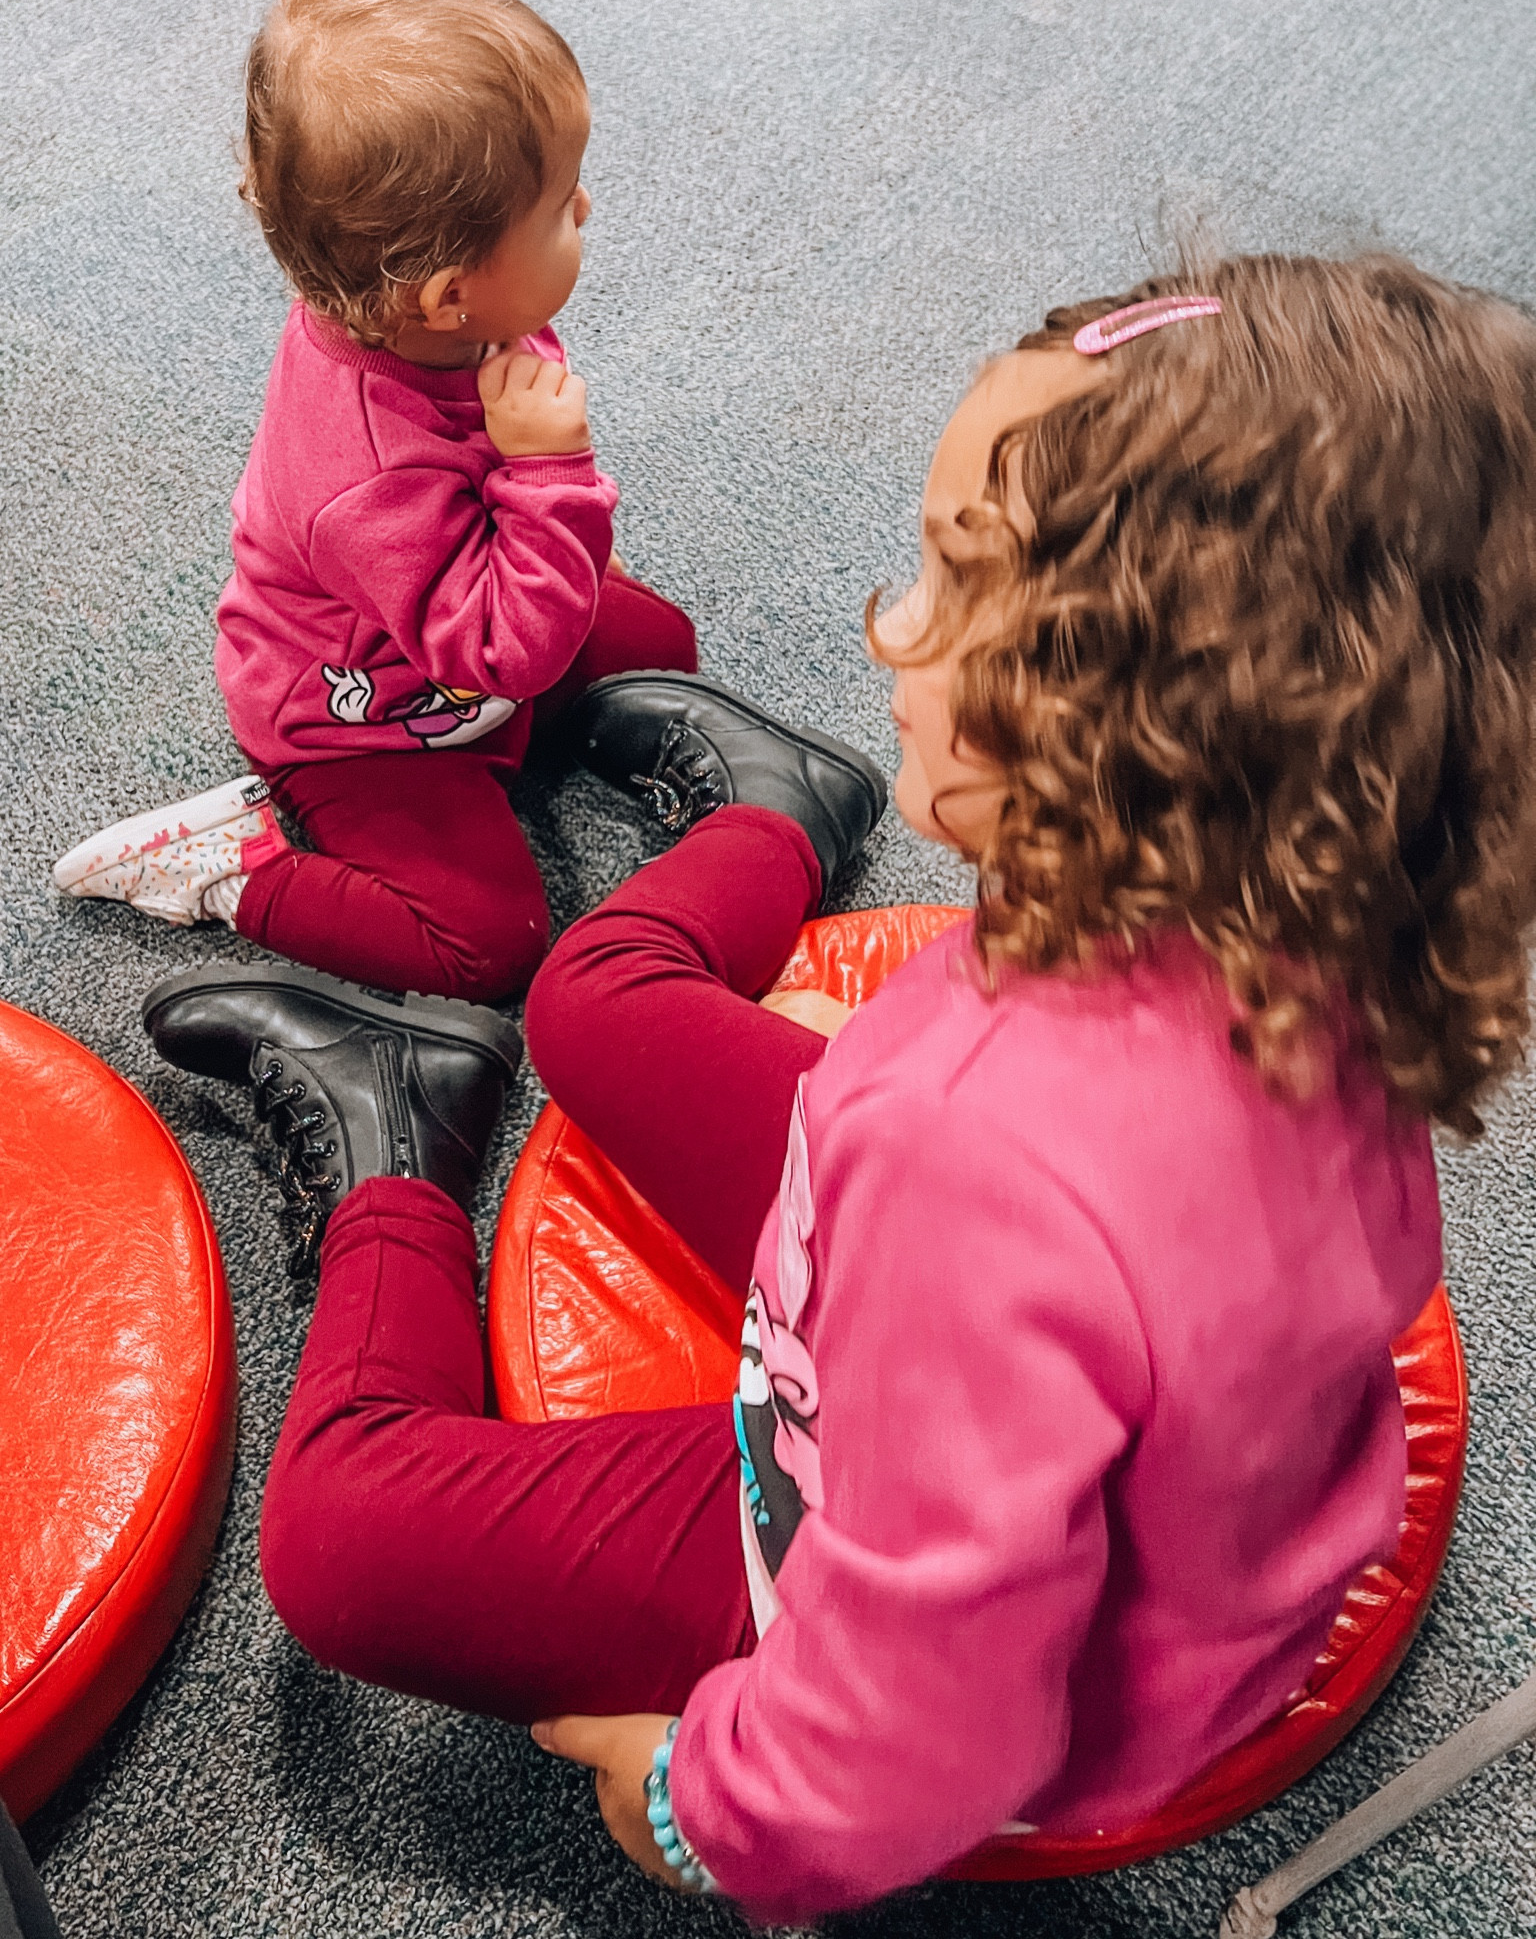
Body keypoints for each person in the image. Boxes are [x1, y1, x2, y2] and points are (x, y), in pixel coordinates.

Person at [141, 254, 1536, 1925]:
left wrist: (706, 1799)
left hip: (1046, 1636)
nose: (890, 624)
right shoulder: (1312, 924)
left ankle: (390, 1137)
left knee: (340, 1537)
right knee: (594, 996)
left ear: (1147, 718)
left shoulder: (961, 1157)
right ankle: (772, 803)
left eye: (956, 584)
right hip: (1107, 1413)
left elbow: (931, 1710)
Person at [50, 0, 700, 1003]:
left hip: (457, 633)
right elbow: (507, 652)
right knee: (492, 943)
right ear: (449, 293)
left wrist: (549, 529)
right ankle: (240, 866)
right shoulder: (369, 478)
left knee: (661, 647)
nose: (585, 204)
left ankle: (524, 713)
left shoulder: (433, 318)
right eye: (557, 208)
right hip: (359, 724)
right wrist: (549, 476)